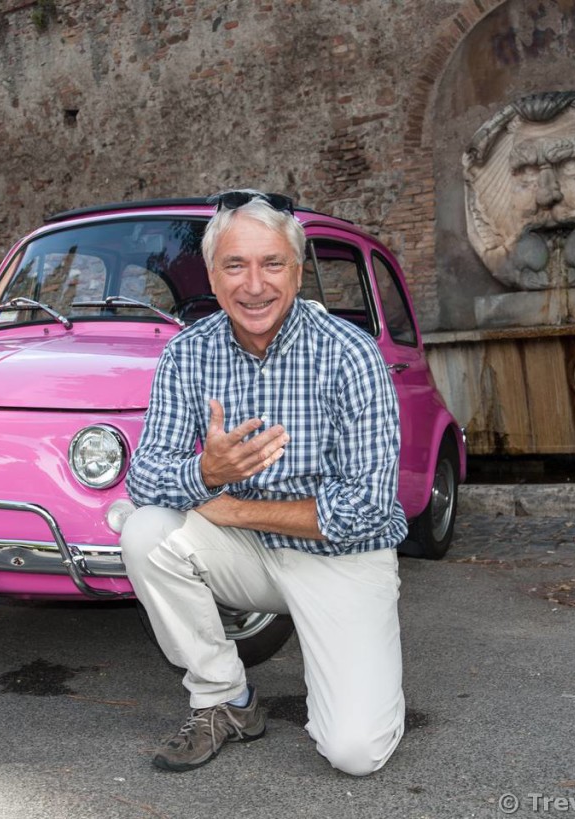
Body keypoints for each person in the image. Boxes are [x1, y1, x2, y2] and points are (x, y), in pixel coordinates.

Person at [120, 189, 408, 776]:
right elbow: (144, 475)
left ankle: (356, 668)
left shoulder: (350, 355)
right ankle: (224, 698)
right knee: (144, 530)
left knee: (355, 752)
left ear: (298, 272)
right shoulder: (187, 355)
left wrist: (234, 509)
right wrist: (207, 472)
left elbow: (367, 507)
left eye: (272, 263)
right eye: (236, 265)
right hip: (247, 557)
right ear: (213, 276)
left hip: (342, 557)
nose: (254, 285)